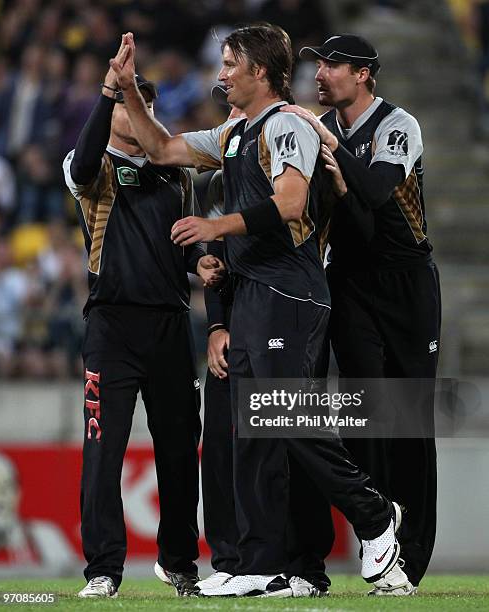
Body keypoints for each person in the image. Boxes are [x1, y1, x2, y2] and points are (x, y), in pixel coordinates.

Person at [111, 25, 403, 598]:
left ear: (260, 71)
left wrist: (216, 226)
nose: (219, 75)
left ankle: (375, 516)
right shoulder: (235, 132)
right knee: (256, 432)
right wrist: (127, 93)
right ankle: (261, 564)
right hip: (253, 293)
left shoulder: (287, 123)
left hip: (289, 293)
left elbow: (291, 202)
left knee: (287, 417)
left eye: (228, 64)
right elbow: (164, 149)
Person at [62, 37, 224, 599]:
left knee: (180, 449)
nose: (145, 116)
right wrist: (109, 92)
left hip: (170, 325)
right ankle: (103, 570)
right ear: (116, 113)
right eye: (135, 107)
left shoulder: (176, 175)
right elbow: (81, 167)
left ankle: (179, 562)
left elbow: (178, 245)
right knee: (103, 450)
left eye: (148, 108)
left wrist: (197, 257)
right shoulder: (93, 164)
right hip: (111, 327)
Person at [286, 33, 441, 595]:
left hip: (405, 284)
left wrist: (328, 142)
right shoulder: (327, 134)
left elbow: (376, 191)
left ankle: (413, 557)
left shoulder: (398, 125)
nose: (320, 75)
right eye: (318, 65)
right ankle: (383, 551)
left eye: (332, 65)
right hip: (349, 281)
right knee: (365, 416)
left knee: (409, 420)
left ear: (364, 74)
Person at [200, 166, 334, 598]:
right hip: (237, 330)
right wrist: (216, 326)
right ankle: (234, 562)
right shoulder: (224, 179)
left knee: (293, 438)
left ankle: (305, 564)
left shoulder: (299, 186)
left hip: (287, 322)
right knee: (224, 444)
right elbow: (215, 258)